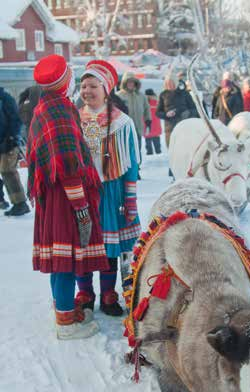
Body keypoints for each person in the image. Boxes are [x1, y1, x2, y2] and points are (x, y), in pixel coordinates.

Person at [27, 54, 109, 340]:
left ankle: (62, 308)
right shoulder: (60, 110)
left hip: (52, 197)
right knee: (64, 259)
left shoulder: (43, 107)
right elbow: (67, 165)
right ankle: (66, 324)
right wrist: (81, 206)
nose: (74, 79)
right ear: (63, 81)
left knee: (59, 257)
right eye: (70, 74)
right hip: (65, 198)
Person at [77, 60, 142, 316]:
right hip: (82, 193)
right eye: (83, 86)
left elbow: (131, 164)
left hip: (110, 192)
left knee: (108, 249)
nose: (87, 91)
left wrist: (130, 197)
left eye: (93, 85)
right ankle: (84, 292)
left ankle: (107, 294)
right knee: (82, 246)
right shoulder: (75, 118)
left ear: (106, 89)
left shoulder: (121, 122)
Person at [0, 87, 30, 216]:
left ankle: (20, 204)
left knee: (8, 171)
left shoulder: (5, 99)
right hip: (3, 141)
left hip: (8, 143)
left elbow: (16, 120)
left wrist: (12, 137)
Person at [156, 72, 198, 149]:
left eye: (171, 83)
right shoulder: (163, 95)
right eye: (167, 83)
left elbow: (195, 109)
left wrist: (188, 113)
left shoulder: (185, 94)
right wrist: (166, 114)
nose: (169, 85)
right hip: (170, 128)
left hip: (184, 127)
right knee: (172, 150)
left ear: (175, 82)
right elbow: (158, 112)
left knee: (185, 150)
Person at [116, 71, 151, 160]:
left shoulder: (141, 96)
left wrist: (148, 121)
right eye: (128, 82)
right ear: (124, 83)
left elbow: (147, 109)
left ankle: (137, 170)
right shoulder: (119, 96)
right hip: (123, 130)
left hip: (137, 129)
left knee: (137, 152)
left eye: (132, 82)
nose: (131, 84)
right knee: (125, 153)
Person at [143, 89, 162, 155]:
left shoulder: (144, 102)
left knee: (148, 139)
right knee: (156, 139)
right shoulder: (157, 101)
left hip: (147, 123)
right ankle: (158, 151)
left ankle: (149, 152)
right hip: (156, 124)